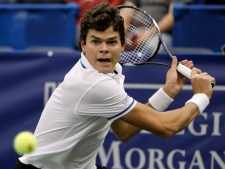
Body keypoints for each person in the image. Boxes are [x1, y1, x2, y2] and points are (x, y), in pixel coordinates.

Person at [14, 2, 215, 169]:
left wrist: (168, 91)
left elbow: (124, 131)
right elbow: (166, 127)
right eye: (96, 42)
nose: (104, 50)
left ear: (122, 45)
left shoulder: (108, 73)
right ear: (83, 45)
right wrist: (201, 96)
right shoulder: (94, 84)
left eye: (111, 42)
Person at [124, 0, 192, 51]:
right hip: (133, 29)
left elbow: (173, 15)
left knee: (152, 47)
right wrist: (123, 30)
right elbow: (128, 7)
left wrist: (147, 35)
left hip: (160, 33)